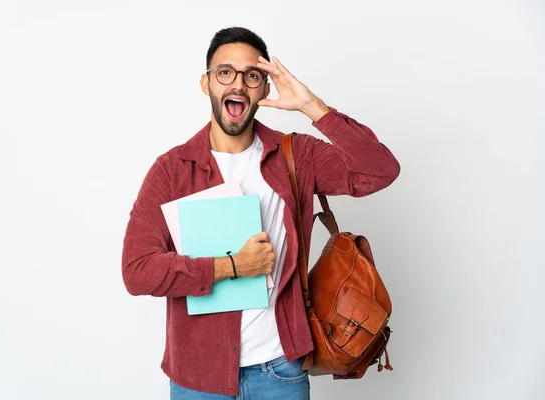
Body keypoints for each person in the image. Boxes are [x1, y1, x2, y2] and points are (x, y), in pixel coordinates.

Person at [121, 26, 400, 400]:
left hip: (280, 371)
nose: (238, 85)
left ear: (265, 88)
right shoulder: (172, 170)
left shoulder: (295, 155)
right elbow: (137, 272)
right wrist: (234, 265)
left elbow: (380, 170)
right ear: (206, 84)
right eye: (225, 73)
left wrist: (311, 106)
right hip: (198, 376)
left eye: (252, 76)